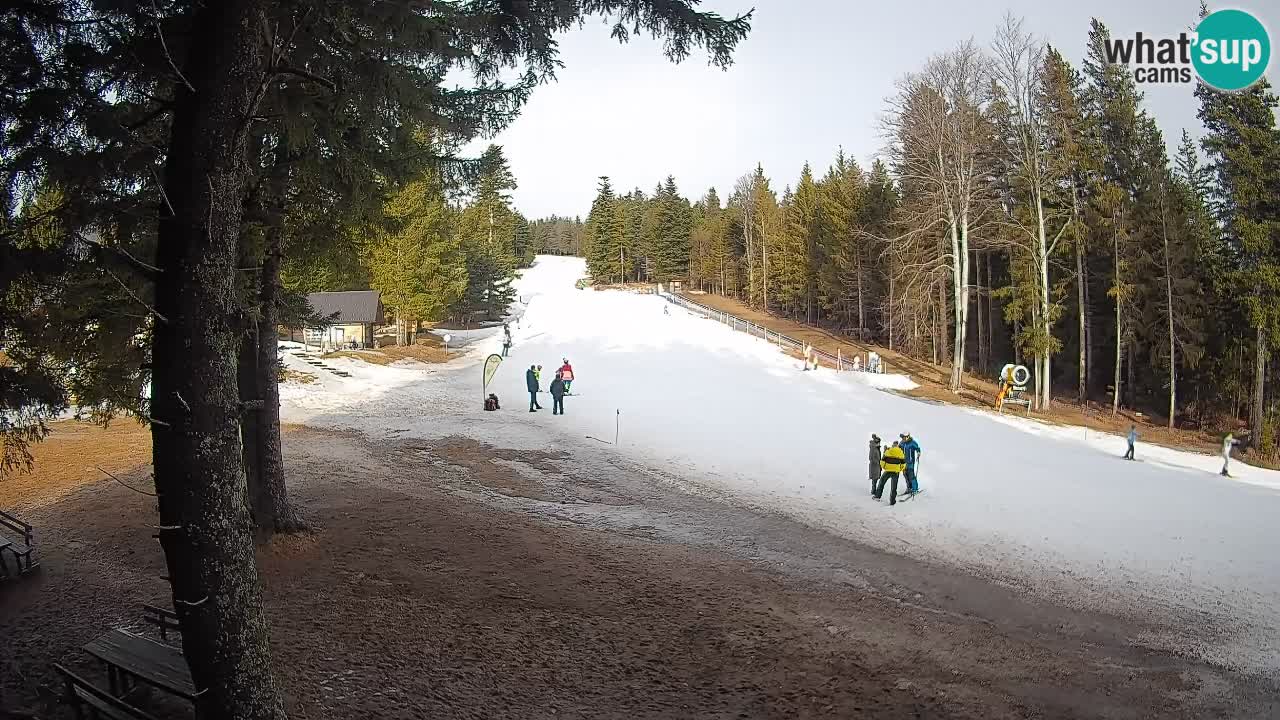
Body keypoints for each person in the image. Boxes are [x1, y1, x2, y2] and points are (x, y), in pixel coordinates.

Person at [874, 440, 907, 506]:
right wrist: (899, 469)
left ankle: (877, 496)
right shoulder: (901, 452)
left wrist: (885, 467)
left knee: (881, 483)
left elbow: (882, 461)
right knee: (894, 487)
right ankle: (892, 501)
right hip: (896, 472)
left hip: (888, 470)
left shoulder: (888, 451)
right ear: (897, 445)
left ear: (893, 445)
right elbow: (903, 463)